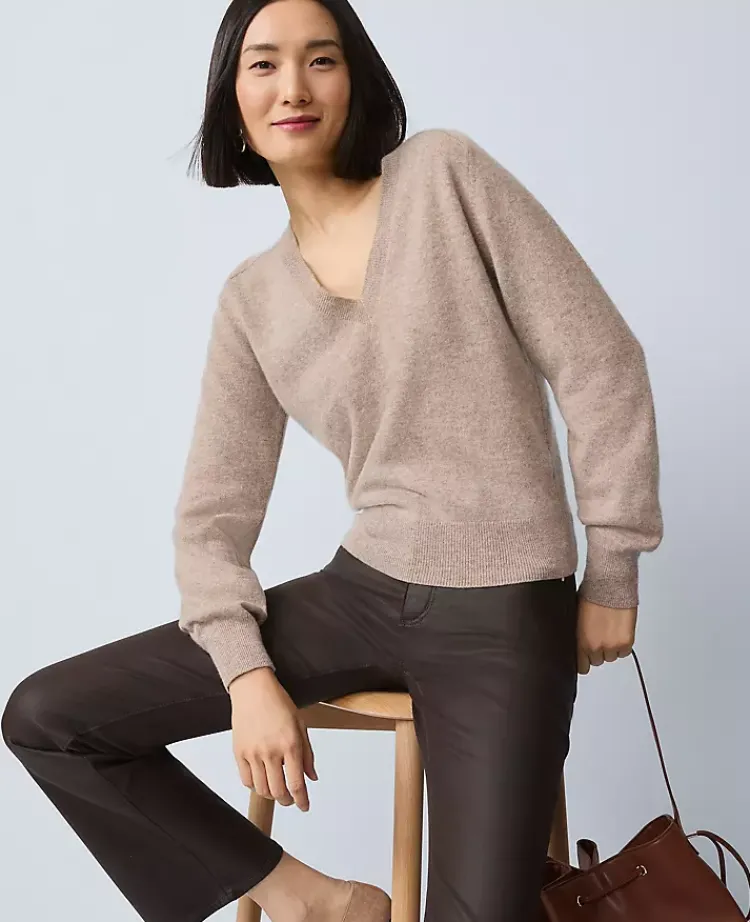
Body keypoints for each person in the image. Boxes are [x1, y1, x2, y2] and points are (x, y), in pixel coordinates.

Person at [1, 0, 664, 921]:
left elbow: (601, 360)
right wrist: (246, 675)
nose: (293, 88)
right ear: (233, 103)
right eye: (263, 65)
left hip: (503, 607)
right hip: (361, 593)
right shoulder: (251, 302)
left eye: (321, 60)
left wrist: (614, 565)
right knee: (50, 719)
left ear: (357, 82)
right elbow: (212, 519)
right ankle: (312, 900)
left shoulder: (443, 176)